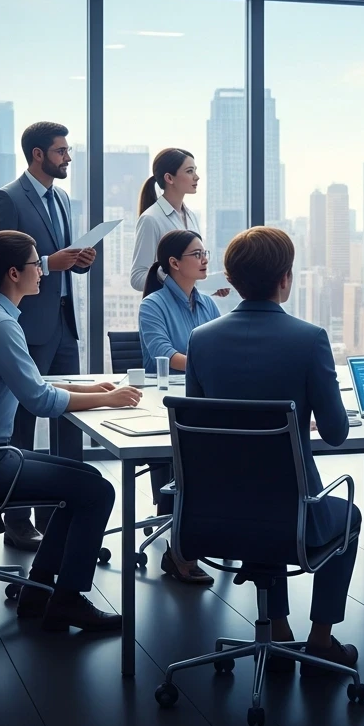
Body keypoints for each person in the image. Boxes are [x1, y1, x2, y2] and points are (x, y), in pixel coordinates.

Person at [0, 230, 143, 631]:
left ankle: (39, 589)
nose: (42, 272)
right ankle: (67, 599)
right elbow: (40, 401)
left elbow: (32, 383)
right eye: (36, 264)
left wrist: (88, 389)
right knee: (97, 491)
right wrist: (108, 399)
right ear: (14, 273)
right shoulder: (0, 326)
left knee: (84, 481)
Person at [186, 226, 360, 675]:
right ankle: (320, 638)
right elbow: (338, 433)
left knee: (260, 492)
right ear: (285, 278)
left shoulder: (201, 339)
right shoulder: (309, 339)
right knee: (345, 514)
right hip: (294, 517)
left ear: (234, 279)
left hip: (215, 513)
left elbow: (198, 425)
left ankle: (278, 628)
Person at [0, 121, 95, 552]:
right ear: (38, 155)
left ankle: (62, 510)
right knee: (22, 423)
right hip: (26, 326)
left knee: (69, 421)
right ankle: (17, 519)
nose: (67, 158)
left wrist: (78, 260)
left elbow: (59, 258)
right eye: (61, 151)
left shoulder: (61, 198)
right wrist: (49, 262)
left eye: (68, 150)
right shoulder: (7, 199)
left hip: (64, 323)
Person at [138, 229, 222, 585]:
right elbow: (164, 354)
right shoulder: (152, 305)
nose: (204, 260)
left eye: (205, 252)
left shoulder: (208, 303)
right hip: (165, 405)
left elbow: (220, 348)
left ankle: (201, 531)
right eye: (196, 254)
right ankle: (181, 552)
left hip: (204, 399)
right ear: (173, 264)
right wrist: (211, 366)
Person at [130, 148, 202, 292]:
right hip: (166, 308)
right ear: (169, 178)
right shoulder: (150, 219)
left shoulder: (191, 216)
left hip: (191, 307)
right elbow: (137, 278)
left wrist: (210, 286)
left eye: (195, 170)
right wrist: (175, 281)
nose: (197, 177)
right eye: (189, 171)